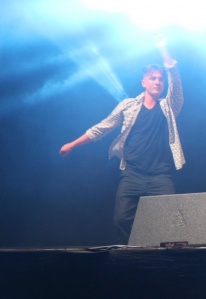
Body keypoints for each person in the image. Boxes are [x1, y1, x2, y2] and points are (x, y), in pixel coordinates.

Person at [59, 39, 185, 244]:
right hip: (132, 174)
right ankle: (132, 257)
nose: (157, 82)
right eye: (152, 78)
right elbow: (103, 127)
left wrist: (163, 49)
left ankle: (164, 258)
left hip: (160, 175)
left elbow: (176, 84)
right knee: (121, 221)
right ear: (144, 83)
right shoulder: (128, 106)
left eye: (160, 79)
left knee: (170, 222)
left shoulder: (169, 107)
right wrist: (73, 144)